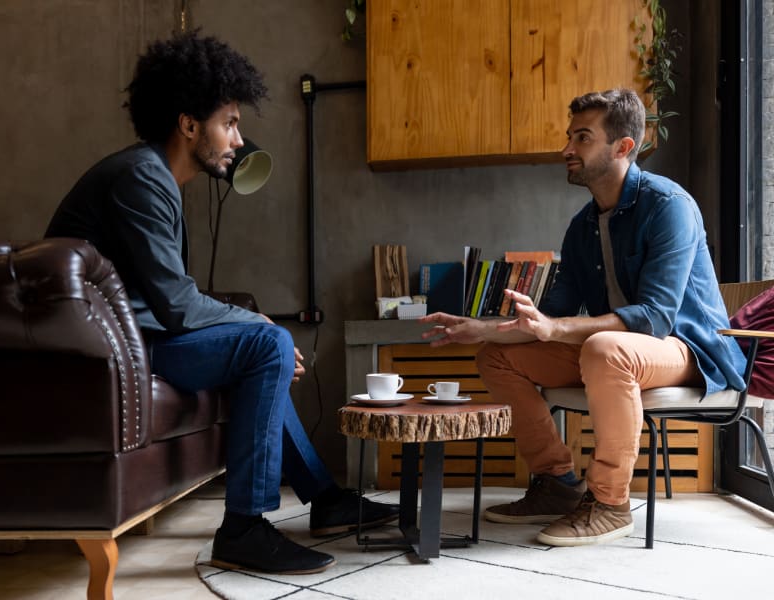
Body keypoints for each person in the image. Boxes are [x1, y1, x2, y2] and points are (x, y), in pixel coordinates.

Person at [45, 31, 398, 574]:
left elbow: (170, 299)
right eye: (229, 122)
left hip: (134, 337)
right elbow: (178, 307)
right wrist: (253, 321)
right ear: (189, 125)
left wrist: (250, 326)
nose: (238, 139)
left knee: (265, 345)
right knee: (267, 343)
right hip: (118, 346)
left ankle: (325, 502)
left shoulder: (151, 176)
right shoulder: (142, 177)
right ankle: (243, 529)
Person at [420, 88, 747, 547]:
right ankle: (556, 483)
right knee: (497, 357)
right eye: (569, 136)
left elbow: (654, 318)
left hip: (690, 350)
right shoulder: (583, 225)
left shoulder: (669, 206)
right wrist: (479, 329)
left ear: (623, 147)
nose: (566, 149)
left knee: (603, 347)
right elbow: (550, 318)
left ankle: (611, 503)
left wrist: (556, 330)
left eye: (582, 138)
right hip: (616, 353)